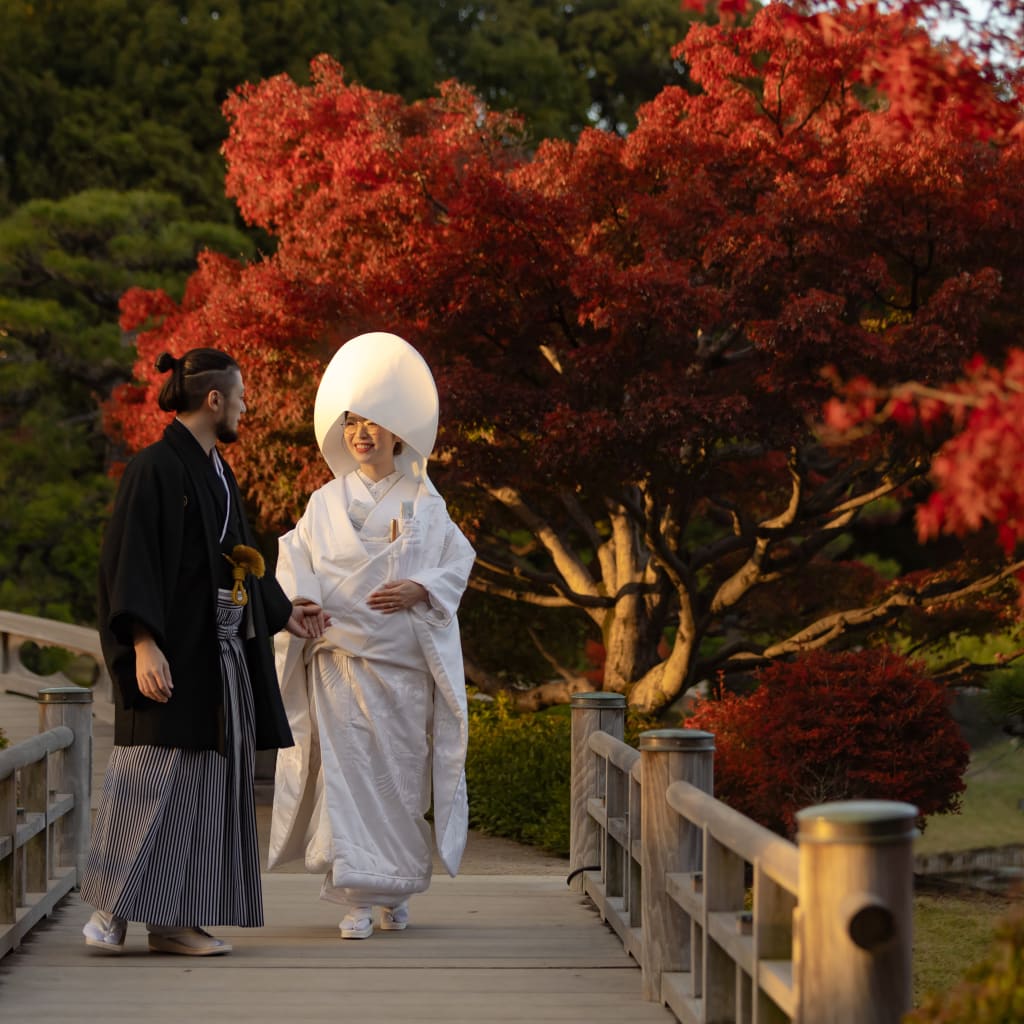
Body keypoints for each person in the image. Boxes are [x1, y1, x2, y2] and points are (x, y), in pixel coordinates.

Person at [81, 348, 324, 956]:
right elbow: (127, 561)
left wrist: (281, 611)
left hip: (218, 655)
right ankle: (109, 911)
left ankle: (173, 921)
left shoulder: (218, 471)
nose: (245, 407)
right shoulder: (155, 468)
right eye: (240, 397)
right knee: (149, 780)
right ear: (214, 400)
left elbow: (238, 556)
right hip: (168, 652)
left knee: (204, 790)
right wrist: (142, 641)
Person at [268, 331, 475, 939]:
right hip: (338, 663)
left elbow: (456, 562)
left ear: (396, 433)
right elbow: (293, 562)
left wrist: (422, 589)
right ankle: (358, 895)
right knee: (348, 776)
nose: (361, 433)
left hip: (401, 670)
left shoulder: (425, 504)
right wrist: (302, 601)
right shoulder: (322, 502)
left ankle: (397, 887)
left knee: (400, 778)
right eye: (352, 423)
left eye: (373, 423)